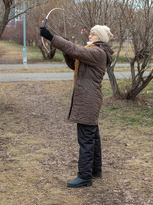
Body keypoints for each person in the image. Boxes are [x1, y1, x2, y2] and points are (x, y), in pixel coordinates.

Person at [40, 25, 114, 188]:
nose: (91, 34)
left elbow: (77, 51)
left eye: (94, 33)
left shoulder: (97, 52)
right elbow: (75, 63)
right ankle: (95, 170)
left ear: (100, 38)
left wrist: (53, 39)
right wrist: (67, 50)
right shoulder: (95, 52)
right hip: (89, 99)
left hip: (88, 100)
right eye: (91, 32)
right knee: (92, 136)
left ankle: (85, 176)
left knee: (86, 139)